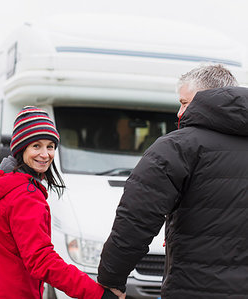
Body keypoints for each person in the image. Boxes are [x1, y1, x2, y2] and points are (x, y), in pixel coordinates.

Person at [97, 64, 248, 298]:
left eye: (185, 103)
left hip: (194, 289)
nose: (179, 112)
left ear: (207, 99)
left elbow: (136, 218)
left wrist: (111, 279)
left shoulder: (179, 146)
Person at [0, 106, 123, 299]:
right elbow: (41, 260)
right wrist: (97, 294)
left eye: (50, 146)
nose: (45, 154)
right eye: (36, 146)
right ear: (21, 148)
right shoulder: (24, 196)